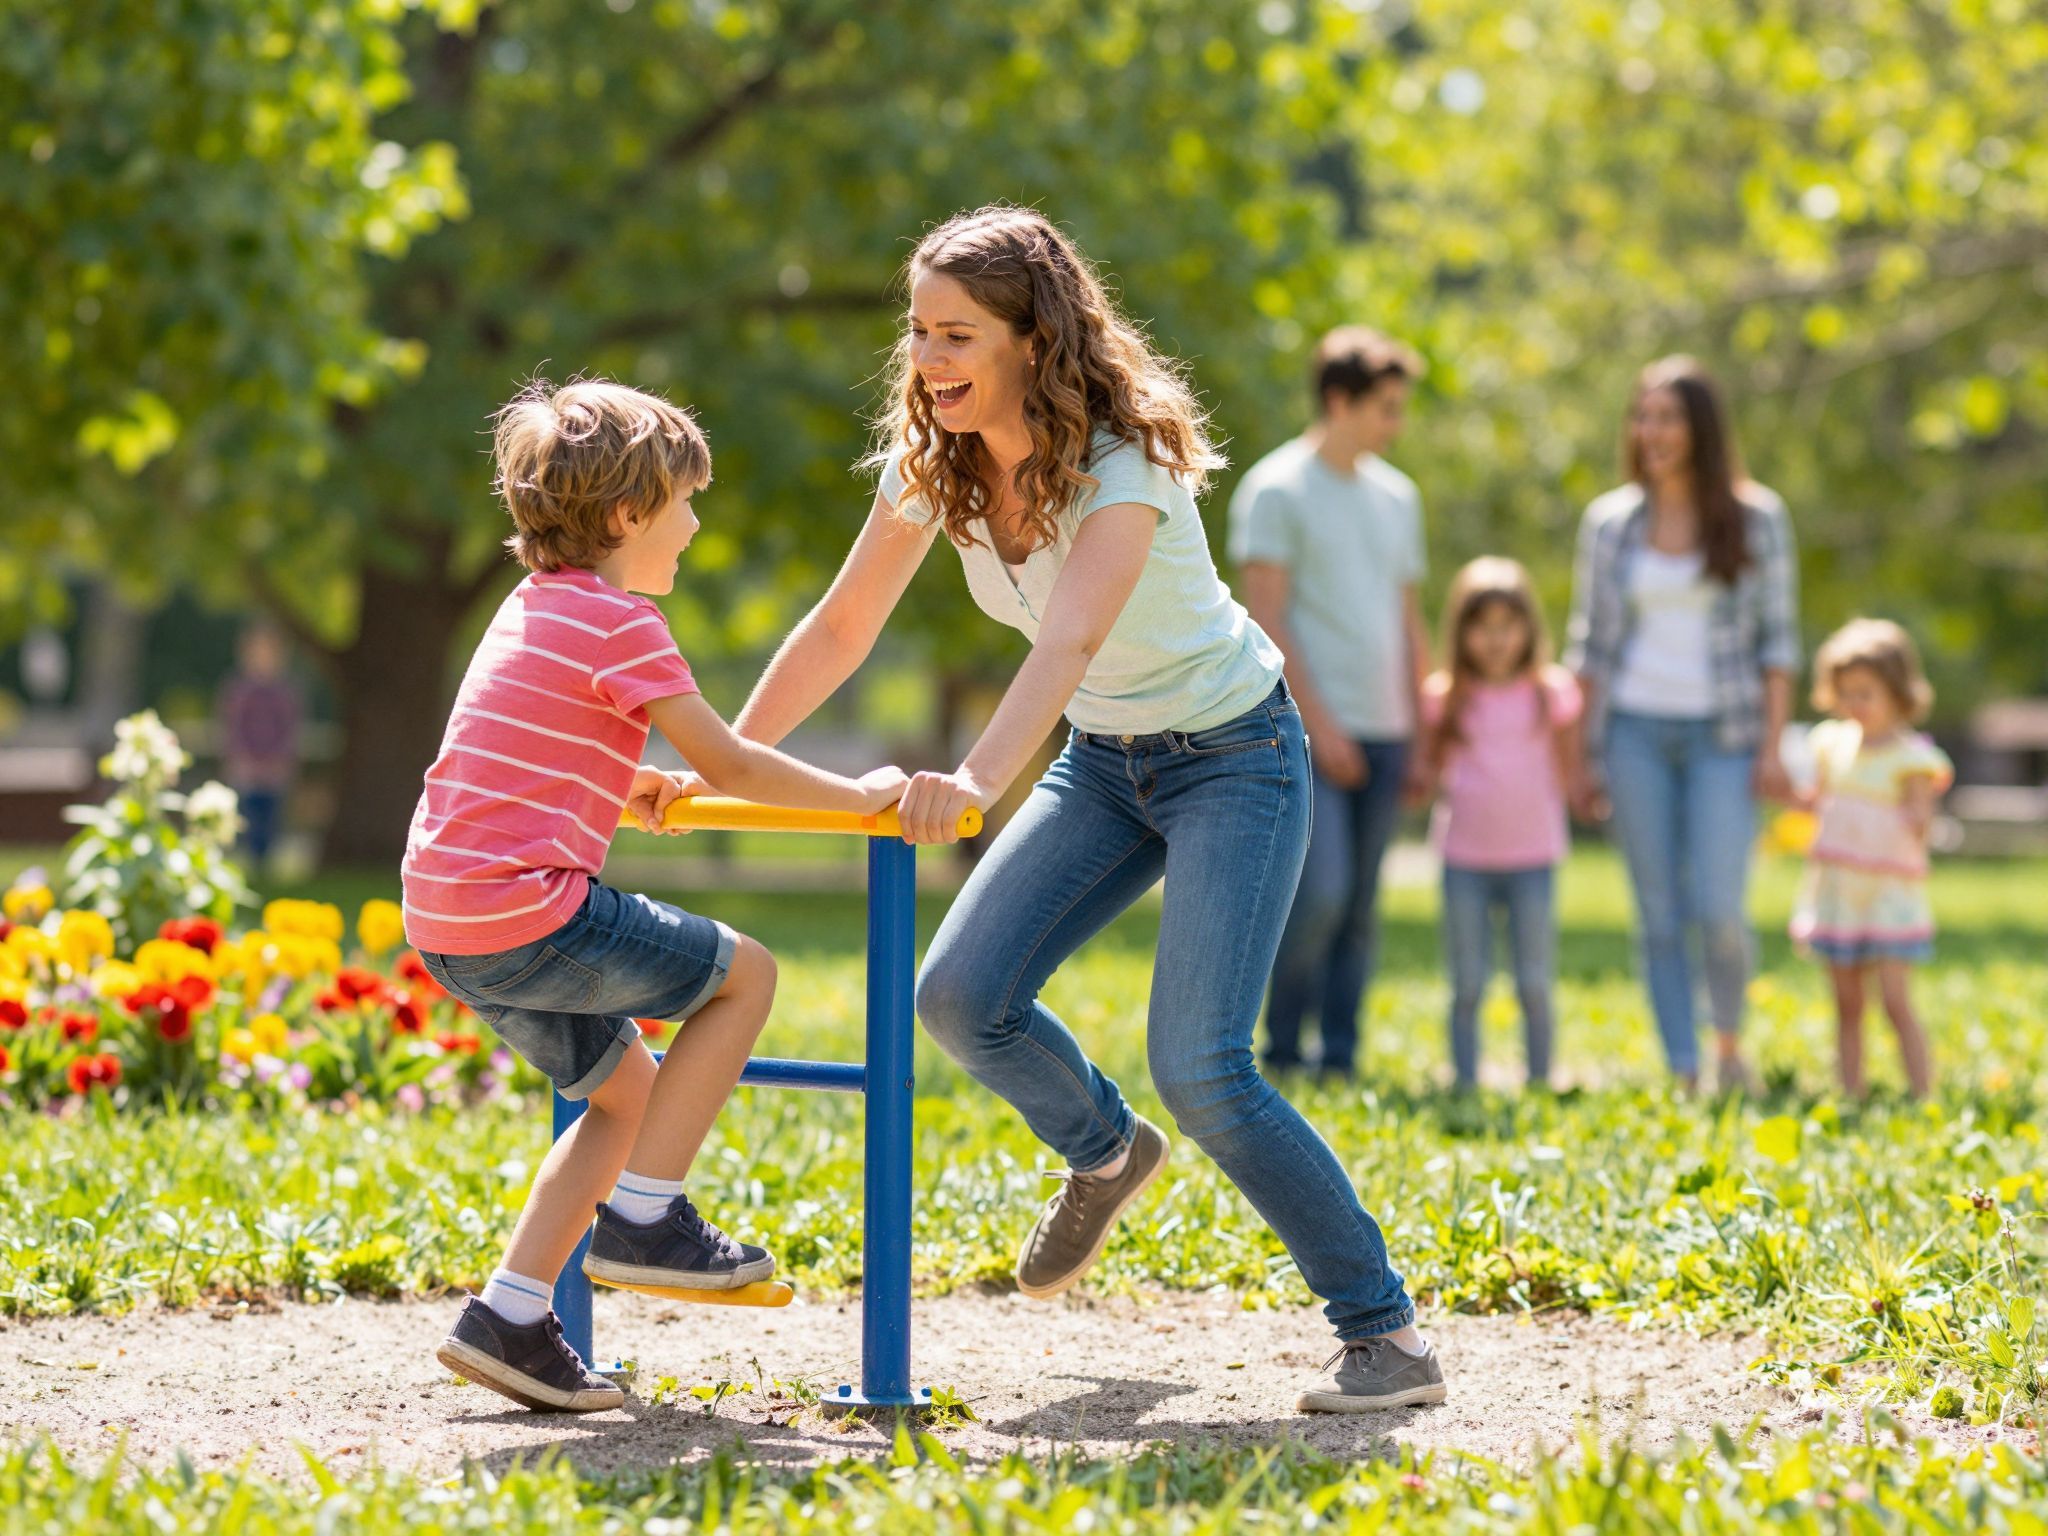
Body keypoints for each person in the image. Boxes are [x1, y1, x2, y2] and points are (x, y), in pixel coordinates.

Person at [723, 206, 1444, 1413]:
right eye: (917, 333)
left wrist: (975, 784)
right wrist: (728, 762)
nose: (928, 360)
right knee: (959, 998)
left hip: (1234, 754)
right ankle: (1106, 1152)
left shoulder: (1125, 462)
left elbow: (1068, 639)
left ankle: (1387, 1336)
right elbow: (843, 625)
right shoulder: (930, 462)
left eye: (957, 335)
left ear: (1031, 338)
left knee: (1203, 1066)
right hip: (1109, 762)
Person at [401, 378, 906, 1413]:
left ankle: (511, 1316)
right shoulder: (622, 622)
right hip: (526, 906)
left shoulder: (535, 606)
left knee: (623, 1096)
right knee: (744, 976)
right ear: (627, 516)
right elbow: (731, 763)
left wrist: (614, 782)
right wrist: (861, 799)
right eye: (682, 500)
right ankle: (647, 1218)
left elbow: (522, 745)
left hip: (448, 916)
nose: (695, 522)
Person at [1564, 356, 1801, 1093]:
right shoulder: (1610, 523)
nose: (1652, 431)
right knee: (1658, 911)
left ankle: (1728, 1046)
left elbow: (1779, 643)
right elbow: (1589, 647)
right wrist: (1577, 756)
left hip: (1724, 738)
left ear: (1701, 428)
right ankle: (1684, 1064)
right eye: (1643, 416)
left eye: (1668, 417)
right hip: (1633, 733)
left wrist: (1772, 747)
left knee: (1721, 907)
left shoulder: (1757, 518)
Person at [1228, 326, 1431, 1078]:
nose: (1395, 424)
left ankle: (1339, 1057)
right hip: (1306, 732)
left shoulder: (1397, 496)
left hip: (1389, 729)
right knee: (1318, 898)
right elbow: (1267, 621)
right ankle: (1280, 1051)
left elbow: (1410, 618)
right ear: (1338, 399)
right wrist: (1321, 724)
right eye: (1384, 407)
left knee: (1360, 907)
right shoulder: (1275, 489)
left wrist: (1424, 729)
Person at [1415, 558, 1582, 1092]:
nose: (1495, 640)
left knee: (1534, 981)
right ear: (1461, 633)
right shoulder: (1445, 698)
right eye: (1481, 627)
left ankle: (1539, 1077)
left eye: (1507, 627)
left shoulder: (1550, 693)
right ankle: (1465, 1078)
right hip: (1464, 860)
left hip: (1533, 858)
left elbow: (1569, 766)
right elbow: (1428, 770)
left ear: (1528, 630)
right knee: (1467, 983)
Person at [1790, 619, 1950, 1099]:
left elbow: (1921, 821)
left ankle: (1922, 1091)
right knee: (1846, 1001)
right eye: (1845, 693)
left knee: (1896, 1001)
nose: (1853, 704)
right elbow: (1814, 799)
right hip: (1839, 892)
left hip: (1887, 896)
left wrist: (1909, 817)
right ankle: (1851, 1090)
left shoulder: (1912, 759)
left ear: (1898, 693)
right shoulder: (1829, 744)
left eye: (1865, 693)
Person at [215, 623, 303, 867]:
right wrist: (239, 758)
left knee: (271, 820)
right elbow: (233, 729)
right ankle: (250, 861)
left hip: (274, 769)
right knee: (247, 818)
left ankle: (265, 862)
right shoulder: (238, 690)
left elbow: (289, 730)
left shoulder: (285, 692)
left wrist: (281, 760)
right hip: (246, 767)